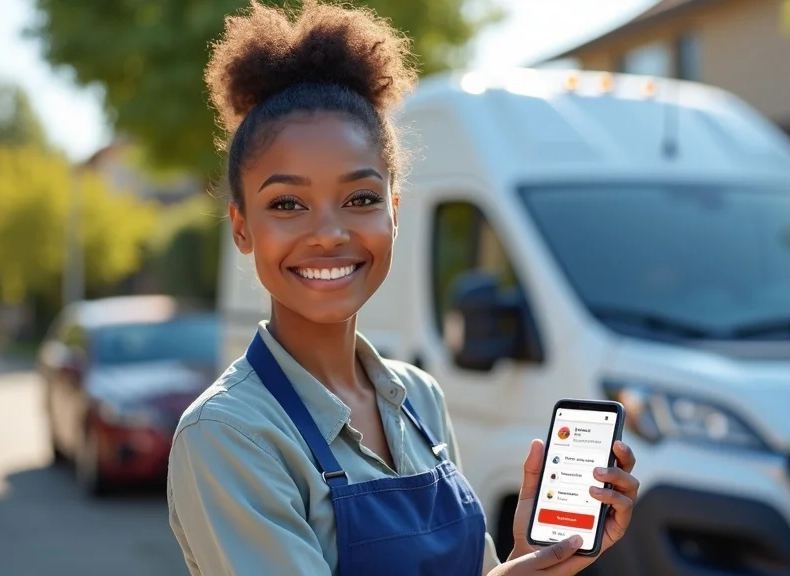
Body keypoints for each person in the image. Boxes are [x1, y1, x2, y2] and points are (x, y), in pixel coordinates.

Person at [166, 1, 640, 575]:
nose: (329, 234)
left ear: (394, 211)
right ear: (242, 227)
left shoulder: (419, 398)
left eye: (360, 199)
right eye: (287, 203)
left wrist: (526, 561)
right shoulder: (228, 434)